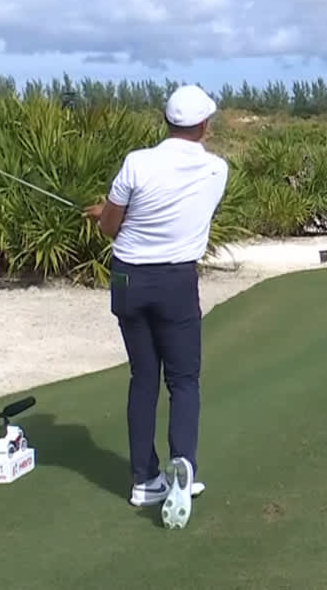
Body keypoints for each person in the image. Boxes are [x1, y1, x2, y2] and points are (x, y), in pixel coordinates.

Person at [84, 84, 230, 528]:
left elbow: (111, 227)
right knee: (184, 380)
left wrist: (104, 212)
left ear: (165, 121)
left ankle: (145, 481)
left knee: (143, 377)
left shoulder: (137, 163)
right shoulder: (216, 170)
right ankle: (182, 462)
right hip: (175, 280)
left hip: (129, 278)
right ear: (203, 126)